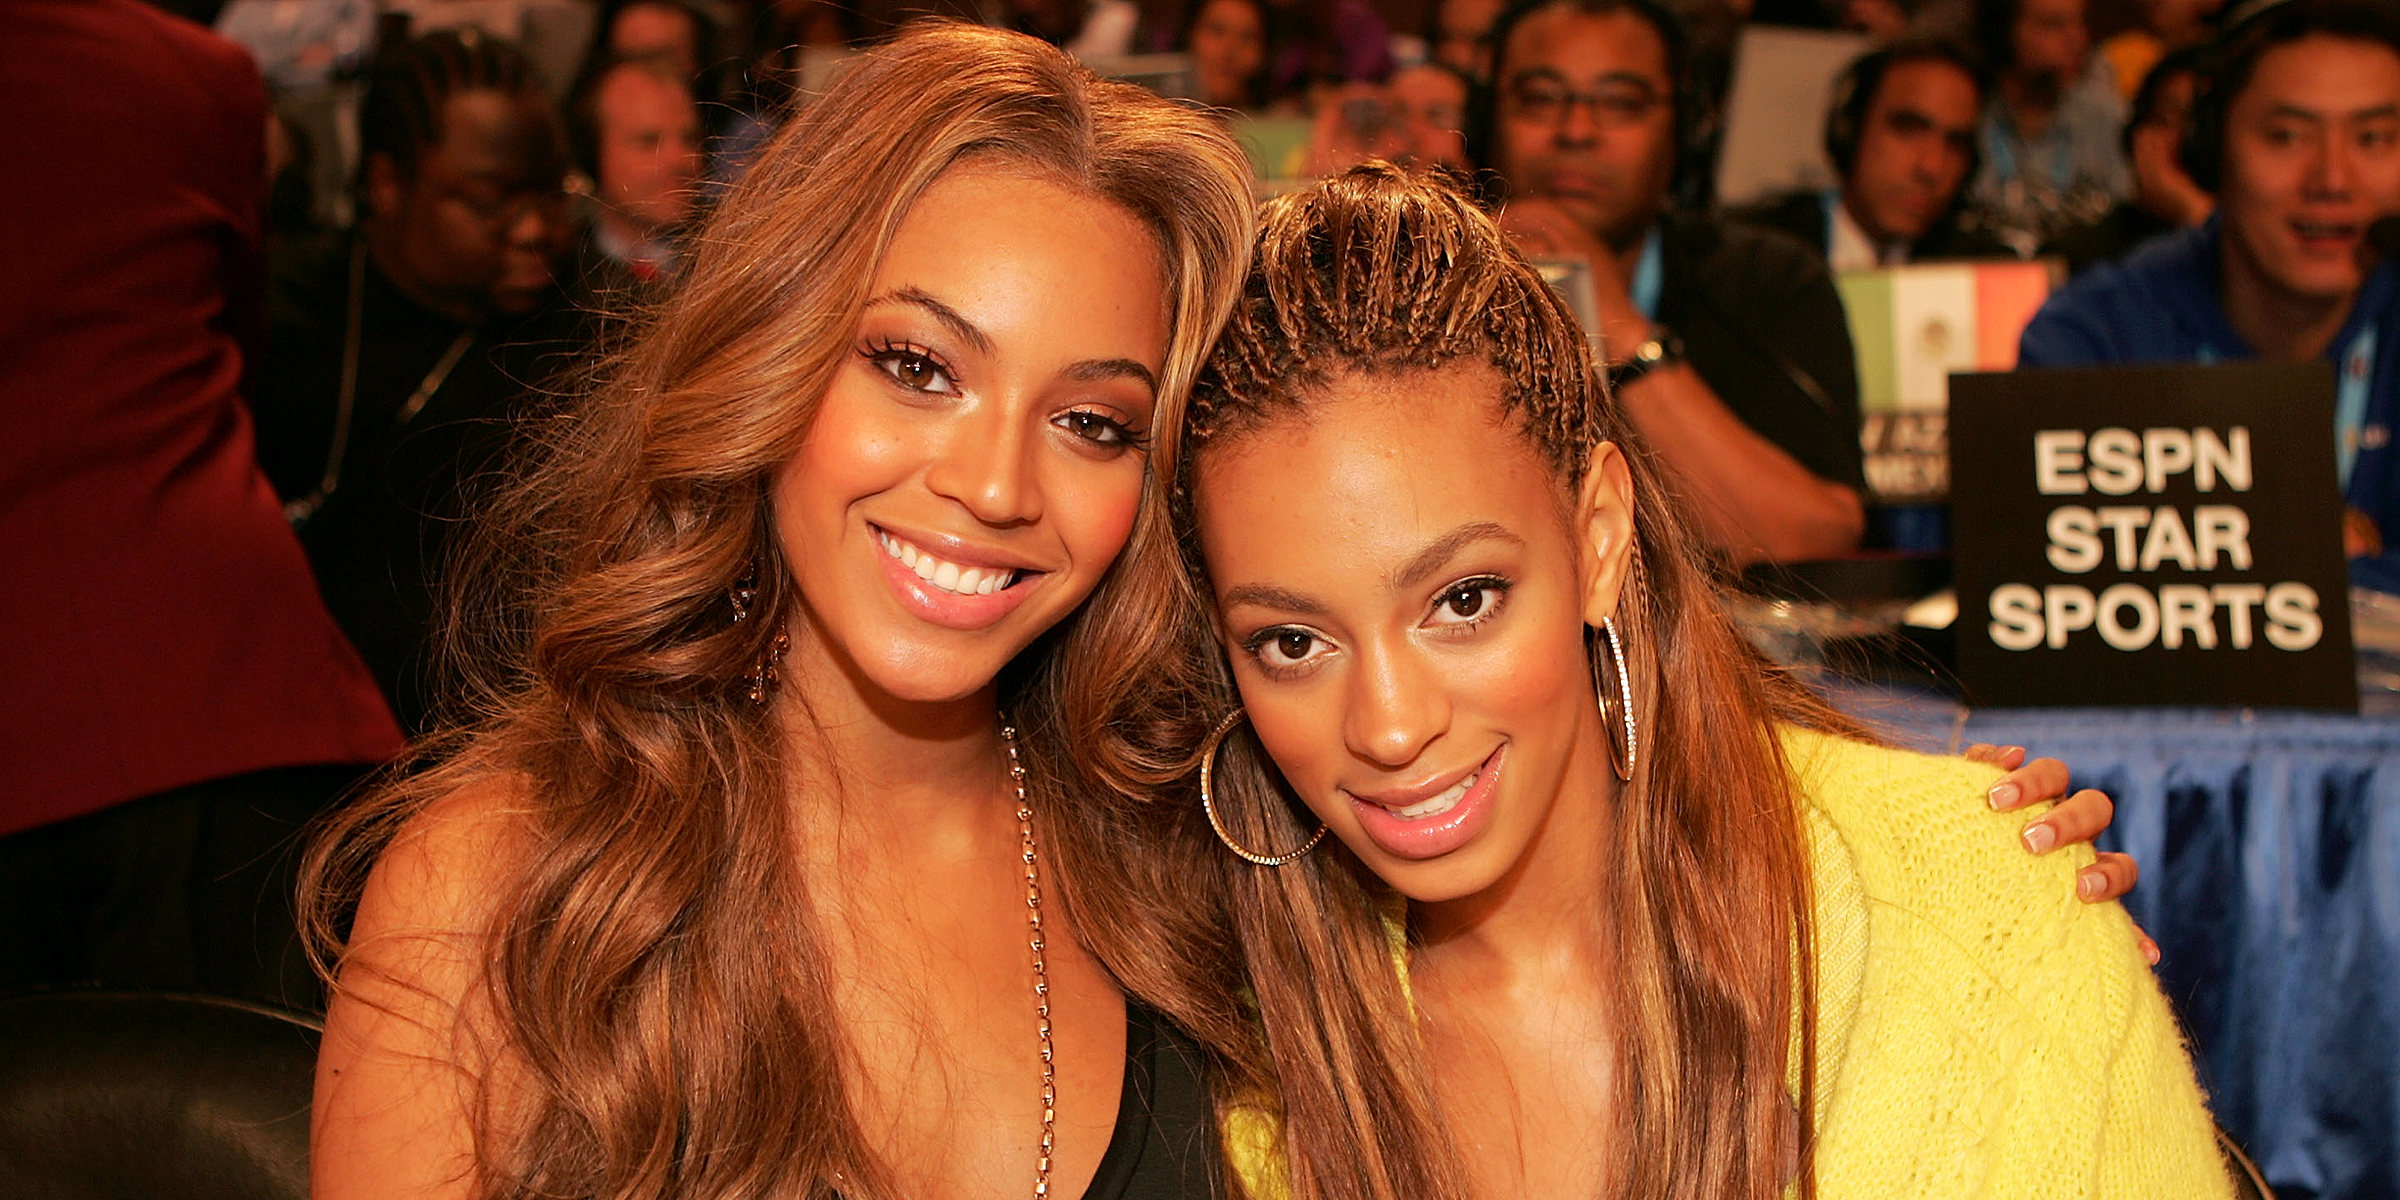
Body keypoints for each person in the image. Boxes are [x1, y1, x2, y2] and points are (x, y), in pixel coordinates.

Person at [1135, 161, 2230, 1199]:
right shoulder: (1226, 1038)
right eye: (1292, 642)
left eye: (1462, 601)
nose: (1388, 725)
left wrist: (2000, 910)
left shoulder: (1961, 919)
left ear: (1599, 534)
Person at [305, 24, 1256, 1200]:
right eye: (917, 367)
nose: (996, 487)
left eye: (1094, 423)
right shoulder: (498, 883)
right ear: (775, 348)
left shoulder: (1205, 870)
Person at [0, 0, 402, 1006]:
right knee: (257, 1127)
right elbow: (233, 342)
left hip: (94, 709)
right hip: (207, 685)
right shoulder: (188, 79)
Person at [249, 29, 586, 734]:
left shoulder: (597, 329)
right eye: (491, 200)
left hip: (499, 737)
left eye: (552, 191)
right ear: (387, 184)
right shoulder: (280, 317)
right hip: (291, 724)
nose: (534, 229)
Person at [2018, 0, 2400, 584]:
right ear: (2209, 148)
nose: (2332, 180)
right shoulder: (2092, 337)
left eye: (2373, 138)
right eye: (2288, 137)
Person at [1472, 0, 1868, 563]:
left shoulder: (1768, 279)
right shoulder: (1422, 281)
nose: (1576, 130)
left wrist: (1620, 330)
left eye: (1620, 103)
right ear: (1489, 115)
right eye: (1540, 98)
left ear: (1684, 127)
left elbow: (1813, 538)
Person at [1732, 39, 2014, 269]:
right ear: (1850, 129)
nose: (1932, 167)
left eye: (1955, 144)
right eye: (1908, 131)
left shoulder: (1982, 269)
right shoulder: (1753, 254)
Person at [1966, 0, 2133, 253]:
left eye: (2078, 23)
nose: (2077, 38)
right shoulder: (1969, 114)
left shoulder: (2108, 118)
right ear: (2003, 32)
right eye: (2052, 24)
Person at [2041, 44, 2216, 276]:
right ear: (2136, 136)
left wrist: (2192, 210)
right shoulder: (2085, 256)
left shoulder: (2253, 242)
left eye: (2201, 125)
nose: (2185, 140)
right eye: (2167, 119)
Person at [565, 54, 705, 298]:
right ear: (591, 152)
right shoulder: (559, 279)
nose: (681, 160)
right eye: (648, 141)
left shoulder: (731, 258)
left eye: (689, 139)